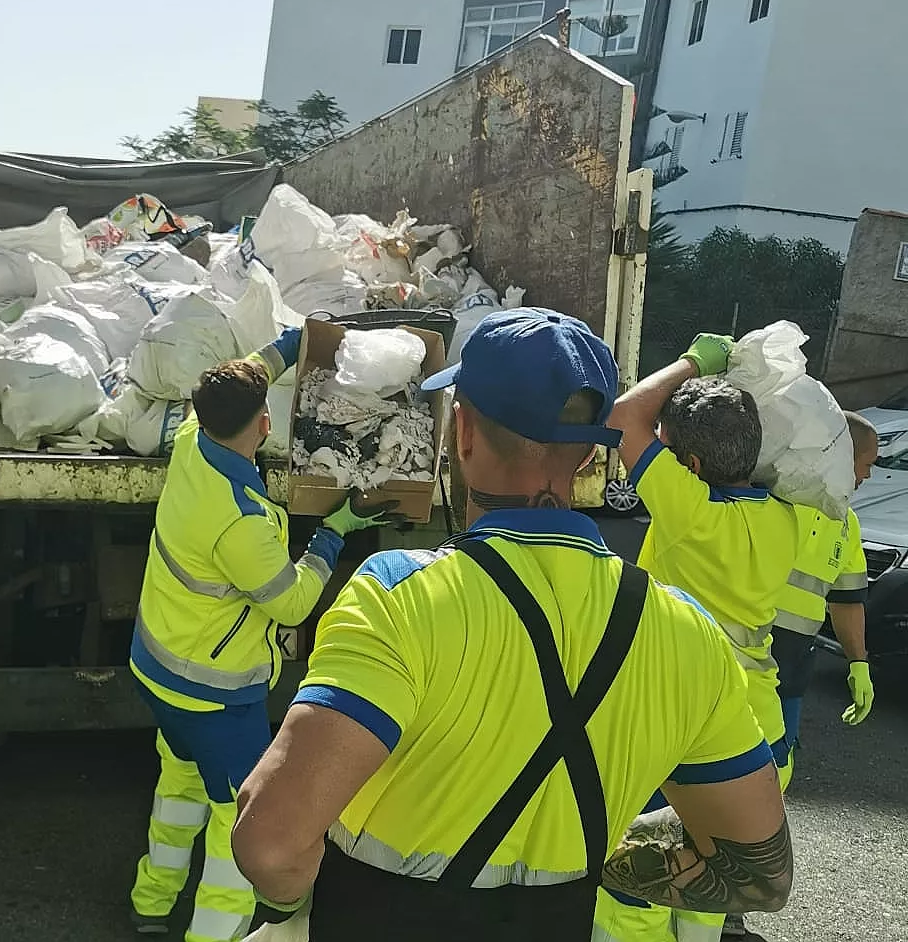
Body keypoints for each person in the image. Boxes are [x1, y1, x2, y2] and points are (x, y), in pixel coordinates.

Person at [231, 309, 793, 942]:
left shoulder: (398, 597)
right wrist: (599, 859)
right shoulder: (688, 633)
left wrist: (291, 907)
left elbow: (272, 847)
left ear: (462, 434)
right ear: (587, 457)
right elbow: (758, 875)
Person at [129, 326, 399, 942]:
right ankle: (215, 933)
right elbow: (294, 603)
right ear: (263, 425)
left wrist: (294, 341)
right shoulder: (241, 525)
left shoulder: (193, 441)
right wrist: (337, 529)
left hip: (158, 666)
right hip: (215, 693)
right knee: (238, 825)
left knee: (178, 784)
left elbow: (247, 370)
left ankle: (150, 901)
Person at [600, 335, 804, 942]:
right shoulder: (784, 519)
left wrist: (694, 362)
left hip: (674, 718)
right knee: (706, 876)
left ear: (687, 467)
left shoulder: (687, 510)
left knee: (633, 877)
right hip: (758, 724)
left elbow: (621, 416)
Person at [770, 411, 880, 766]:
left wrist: (858, 664)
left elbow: (847, 601)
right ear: (843, 455)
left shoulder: (848, 524)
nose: (868, 475)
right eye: (867, 464)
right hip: (739, 658)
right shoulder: (778, 496)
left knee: (776, 770)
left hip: (790, 673)